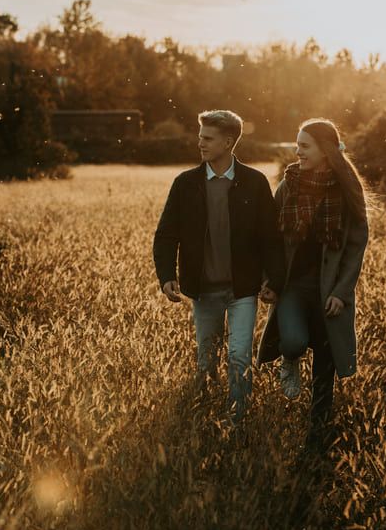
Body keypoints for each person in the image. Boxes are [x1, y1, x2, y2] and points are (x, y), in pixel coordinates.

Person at [154, 110, 284, 422]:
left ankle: (238, 420)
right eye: (200, 136)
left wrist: (274, 280)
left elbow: (270, 238)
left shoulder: (254, 183)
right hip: (203, 290)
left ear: (228, 142)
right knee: (206, 359)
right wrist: (166, 276)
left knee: (239, 356)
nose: (200, 143)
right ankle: (204, 418)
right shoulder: (185, 184)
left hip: (242, 289)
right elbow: (166, 234)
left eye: (207, 138)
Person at [257, 118, 370, 451]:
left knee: (325, 365)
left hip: (329, 291)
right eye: (297, 144)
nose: (297, 151)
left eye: (304, 145)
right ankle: (289, 361)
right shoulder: (289, 185)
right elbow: (272, 240)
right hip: (293, 287)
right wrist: (269, 281)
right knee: (291, 341)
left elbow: (355, 246)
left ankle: (316, 437)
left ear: (325, 150)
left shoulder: (347, 188)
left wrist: (342, 292)